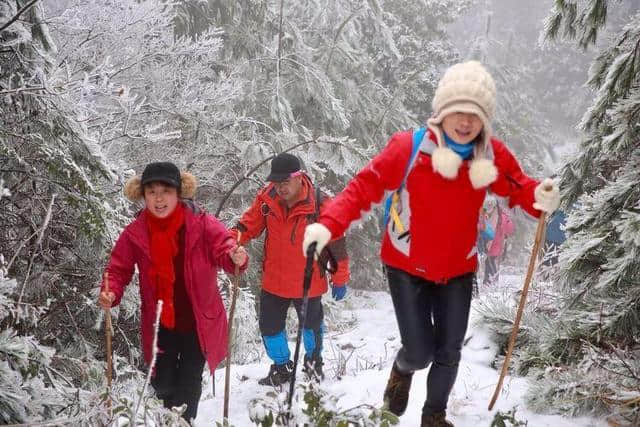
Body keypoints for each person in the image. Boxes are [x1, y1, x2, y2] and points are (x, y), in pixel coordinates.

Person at [302, 61, 560, 426]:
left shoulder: (491, 156)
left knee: (449, 350)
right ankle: (402, 369)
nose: (466, 122)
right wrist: (328, 225)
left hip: (458, 267)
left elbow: (518, 188)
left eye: (475, 114)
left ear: (484, 118)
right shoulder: (408, 148)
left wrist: (540, 197)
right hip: (406, 265)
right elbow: (363, 188)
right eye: (459, 111)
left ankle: (433, 415)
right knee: (421, 351)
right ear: (442, 111)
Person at [97, 162, 248, 422]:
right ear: (142, 195)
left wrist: (235, 257)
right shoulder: (136, 232)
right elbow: (118, 268)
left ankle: (182, 422)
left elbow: (224, 247)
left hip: (198, 322)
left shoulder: (201, 223)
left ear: (179, 193)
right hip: (159, 324)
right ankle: (170, 417)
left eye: (165, 191)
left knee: (188, 384)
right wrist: (110, 291)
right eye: (151, 191)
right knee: (163, 385)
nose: (158, 198)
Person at [230, 153, 350, 386]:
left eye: (285, 182)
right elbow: (246, 226)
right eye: (276, 182)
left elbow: (337, 246)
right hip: (274, 280)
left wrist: (340, 277)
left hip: (309, 282)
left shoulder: (321, 204)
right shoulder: (267, 200)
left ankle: (313, 365)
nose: (280, 187)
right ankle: (282, 367)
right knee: (269, 328)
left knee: (311, 327)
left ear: (299, 177)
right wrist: (229, 242)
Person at [483, 197, 514, 286]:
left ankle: (490, 282)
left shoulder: (498, 216)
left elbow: (509, 230)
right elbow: (510, 230)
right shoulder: (501, 215)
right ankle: (489, 281)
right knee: (489, 261)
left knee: (490, 261)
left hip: (493, 243)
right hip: (494, 243)